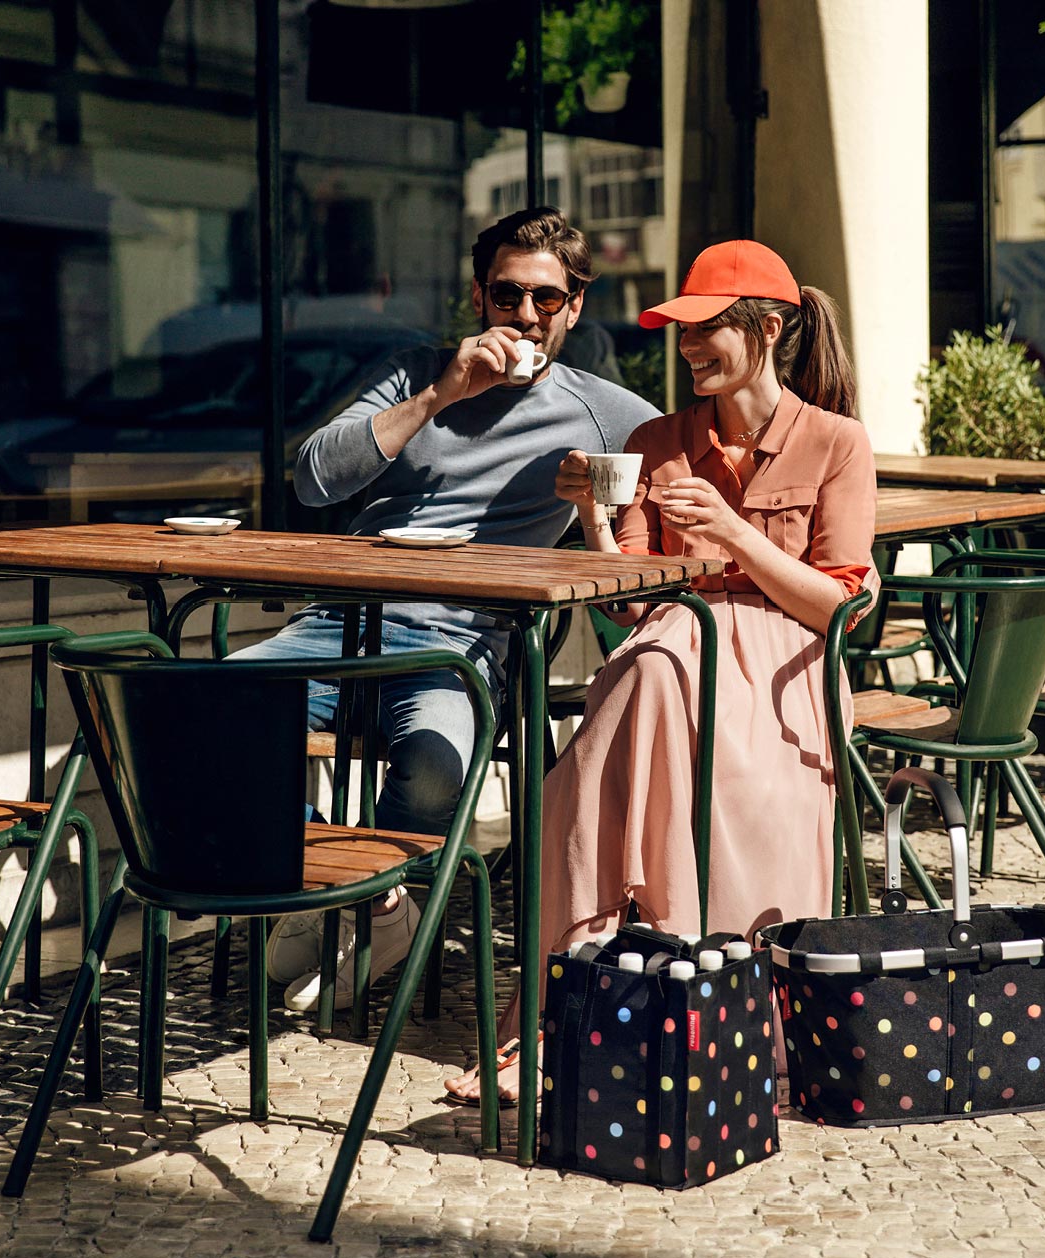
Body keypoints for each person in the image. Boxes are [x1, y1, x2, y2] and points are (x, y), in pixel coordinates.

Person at [446, 239, 879, 1104]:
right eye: (680, 332)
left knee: (602, 759)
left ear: (767, 328)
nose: (686, 349)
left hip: (783, 662)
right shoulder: (656, 440)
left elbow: (838, 609)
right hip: (669, 652)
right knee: (652, 664)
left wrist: (733, 536)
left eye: (705, 330)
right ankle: (612, 1011)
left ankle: (612, 1012)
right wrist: (598, 525)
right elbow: (631, 603)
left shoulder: (836, 443)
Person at [236, 207, 659, 1013]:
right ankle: (340, 895)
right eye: (507, 296)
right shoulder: (414, 374)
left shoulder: (605, 410)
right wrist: (440, 393)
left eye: (546, 299)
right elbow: (313, 480)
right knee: (208, 709)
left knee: (434, 763)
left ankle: (374, 900)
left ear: (574, 307)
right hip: (340, 620)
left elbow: (690, 462)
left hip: (462, 642)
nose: (524, 317)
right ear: (479, 296)